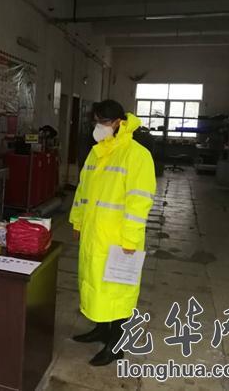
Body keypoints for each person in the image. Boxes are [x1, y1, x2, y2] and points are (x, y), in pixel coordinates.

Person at [69, 100, 156, 366]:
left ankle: (116, 346)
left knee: (118, 293)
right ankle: (101, 330)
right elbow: (83, 192)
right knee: (96, 285)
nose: (98, 126)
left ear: (119, 122)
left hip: (119, 240)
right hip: (95, 235)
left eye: (103, 121)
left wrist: (130, 239)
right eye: (95, 121)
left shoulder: (137, 155)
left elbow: (139, 202)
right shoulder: (97, 152)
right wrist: (77, 222)